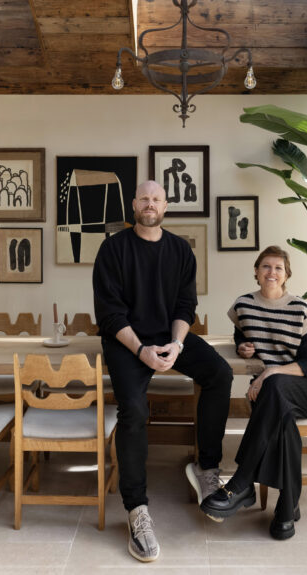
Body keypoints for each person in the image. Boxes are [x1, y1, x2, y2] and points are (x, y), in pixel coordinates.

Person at [93, 180, 232, 563]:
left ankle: (206, 468)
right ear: (134, 204)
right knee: (134, 411)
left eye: (156, 199)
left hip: (168, 338)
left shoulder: (180, 250)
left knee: (219, 374)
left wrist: (177, 345)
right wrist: (141, 350)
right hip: (126, 342)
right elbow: (108, 313)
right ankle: (137, 510)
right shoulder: (113, 249)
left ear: (166, 206)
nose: (150, 204)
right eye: (144, 198)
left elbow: (185, 306)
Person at [199, 245, 307, 540]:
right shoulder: (244, 305)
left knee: (274, 387)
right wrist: (243, 349)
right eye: (266, 267)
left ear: (286, 276)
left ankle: (242, 482)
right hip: (272, 397)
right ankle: (287, 507)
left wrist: (270, 372)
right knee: (282, 423)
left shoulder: (301, 309)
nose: (272, 272)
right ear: (257, 273)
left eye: (278, 268)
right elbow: (241, 338)